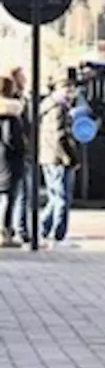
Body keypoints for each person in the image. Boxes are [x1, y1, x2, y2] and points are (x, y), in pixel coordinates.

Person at [37, 81, 79, 248]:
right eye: (68, 90)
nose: (71, 94)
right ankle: (58, 235)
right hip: (59, 159)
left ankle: (43, 229)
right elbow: (60, 136)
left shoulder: (48, 106)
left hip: (48, 156)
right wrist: (71, 157)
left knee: (55, 197)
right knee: (62, 198)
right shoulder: (59, 109)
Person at [0, 76, 26, 247]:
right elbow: (11, 138)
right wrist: (23, 146)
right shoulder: (10, 114)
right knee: (8, 197)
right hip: (8, 160)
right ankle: (4, 232)